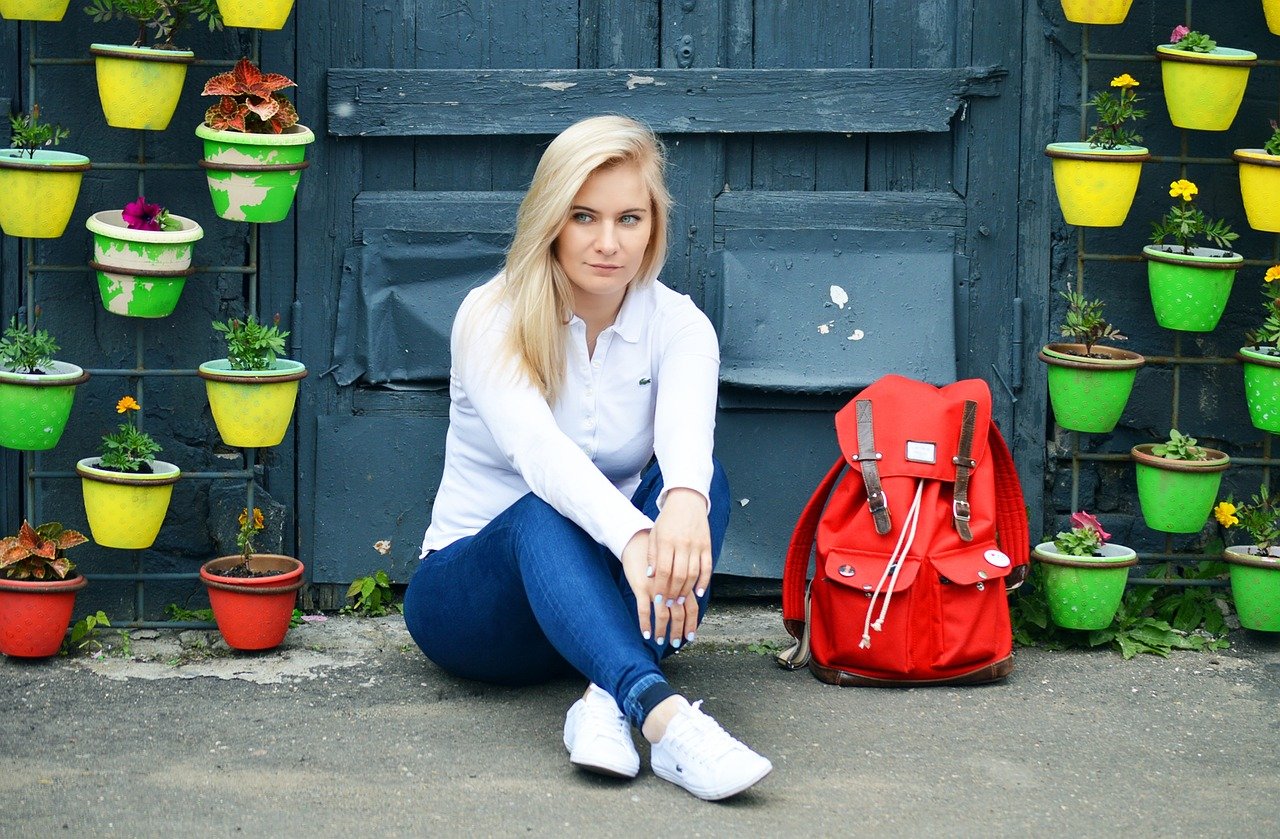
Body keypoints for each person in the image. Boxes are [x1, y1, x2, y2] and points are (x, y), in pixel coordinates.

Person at [404, 115, 772, 801]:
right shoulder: (492, 315)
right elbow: (540, 454)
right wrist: (636, 537)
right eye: (584, 217)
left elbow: (687, 443)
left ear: (654, 225)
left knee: (700, 484)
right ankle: (663, 718)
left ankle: (604, 695)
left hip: (597, 607)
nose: (608, 243)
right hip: (475, 606)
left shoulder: (680, 324)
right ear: (552, 219)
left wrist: (683, 501)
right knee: (540, 513)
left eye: (629, 218)